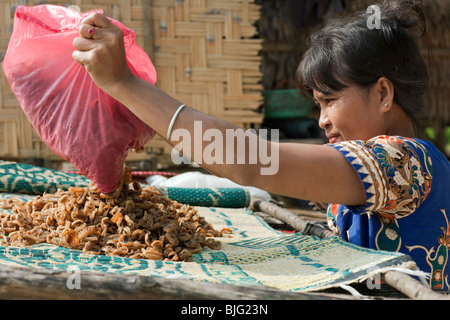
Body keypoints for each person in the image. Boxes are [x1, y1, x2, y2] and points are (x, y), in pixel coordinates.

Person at [72, 1, 450, 290]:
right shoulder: (368, 168)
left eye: (330, 101)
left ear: (383, 93)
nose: (322, 121)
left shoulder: (402, 162)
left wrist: (124, 84)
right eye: (317, 105)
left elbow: (252, 162)